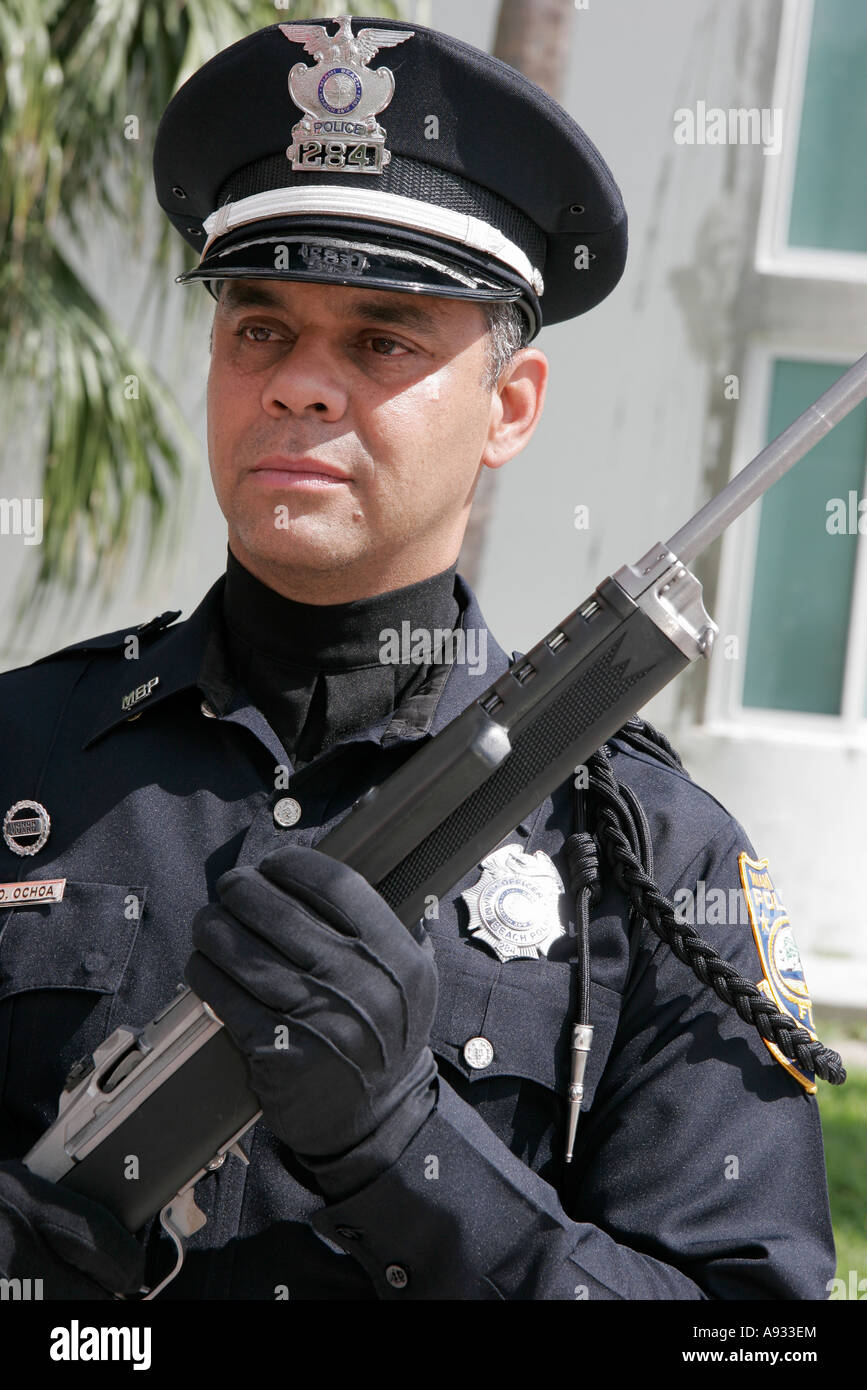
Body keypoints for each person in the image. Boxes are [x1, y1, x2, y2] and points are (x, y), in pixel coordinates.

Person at [0, 14, 835, 1300]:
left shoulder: (654, 857)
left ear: (509, 409)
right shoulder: (22, 753)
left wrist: (407, 1152)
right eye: (259, 327)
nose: (299, 386)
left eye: (382, 340)